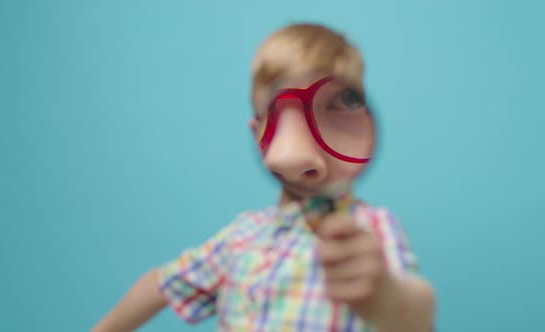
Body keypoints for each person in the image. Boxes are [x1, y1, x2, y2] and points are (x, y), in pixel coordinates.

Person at [92, 23, 435, 332]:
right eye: (281, 117)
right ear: (259, 135)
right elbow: (162, 283)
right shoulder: (242, 237)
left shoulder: (370, 230)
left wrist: (385, 297)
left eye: (339, 107)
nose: (306, 148)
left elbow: (416, 314)